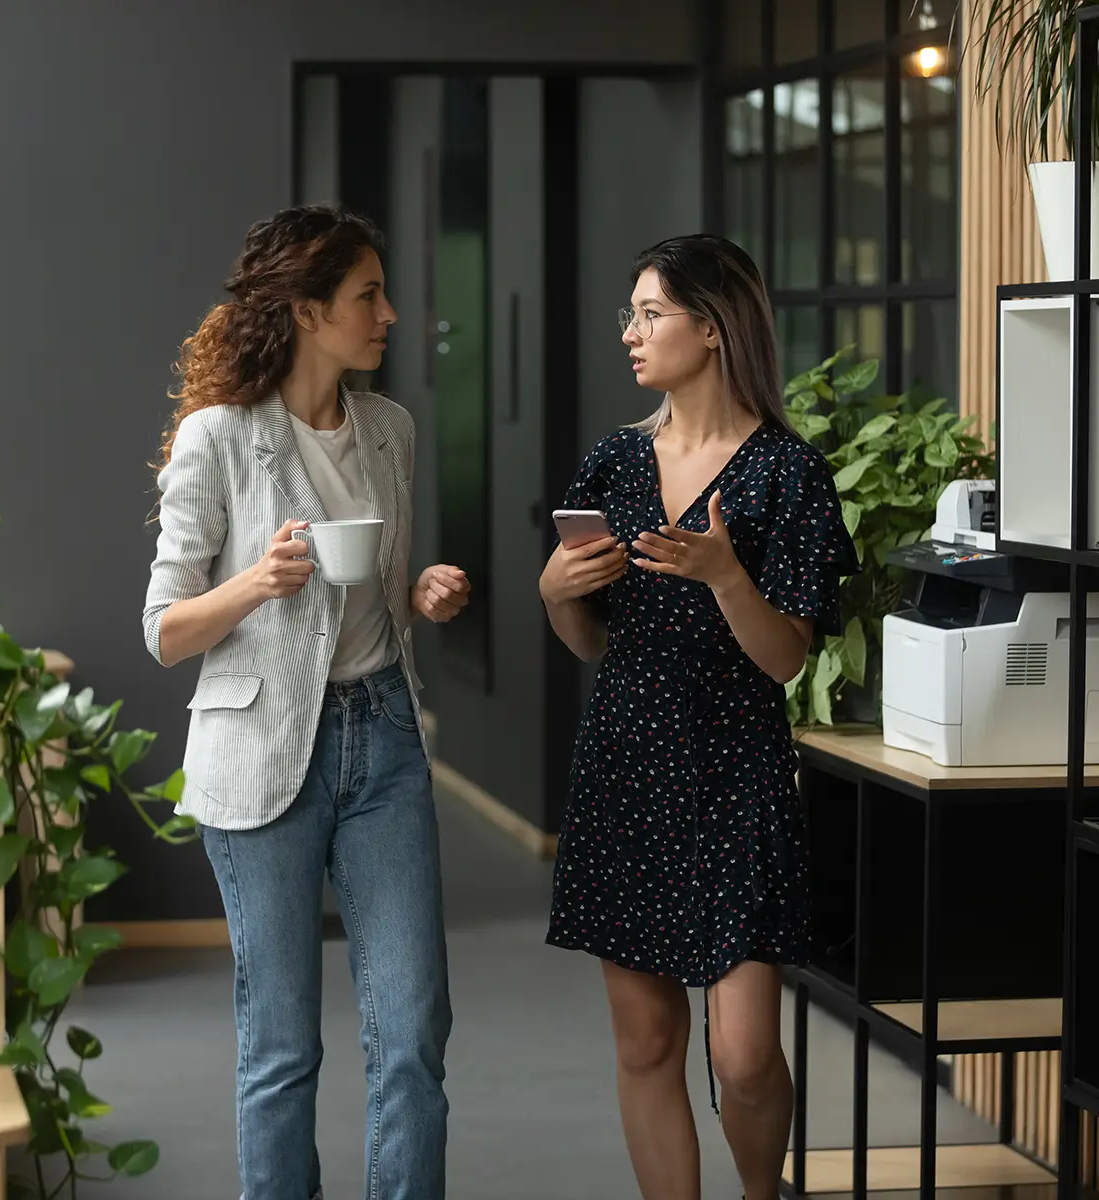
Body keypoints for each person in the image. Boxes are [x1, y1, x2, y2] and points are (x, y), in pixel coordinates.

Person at [142, 204, 470, 1200]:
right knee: (281, 1042)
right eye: (369, 295)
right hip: (261, 750)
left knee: (413, 1031)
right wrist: (256, 583)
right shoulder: (219, 437)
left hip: (383, 739)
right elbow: (164, 629)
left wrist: (422, 591)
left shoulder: (390, 430)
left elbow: (380, 588)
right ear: (307, 308)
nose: (391, 315)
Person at [538, 234, 859, 1200]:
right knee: (647, 1043)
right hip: (626, 771)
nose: (629, 334)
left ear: (711, 329)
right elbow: (592, 642)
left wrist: (725, 577)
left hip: (738, 778)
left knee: (746, 1056)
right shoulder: (616, 461)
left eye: (650, 314)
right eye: (630, 315)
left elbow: (786, 657)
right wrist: (556, 591)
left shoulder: (786, 474)